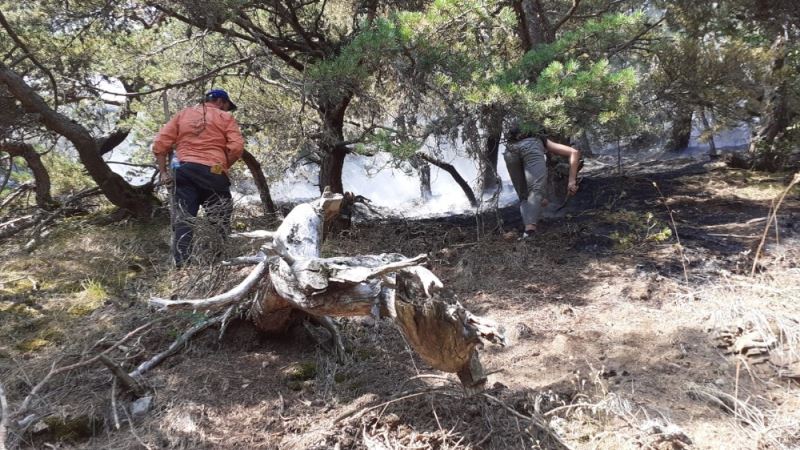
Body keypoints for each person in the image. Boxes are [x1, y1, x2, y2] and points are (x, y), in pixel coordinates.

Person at [152, 88, 244, 267]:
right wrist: (223, 166)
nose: (225, 110)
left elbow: (159, 145)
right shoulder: (224, 117)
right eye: (226, 106)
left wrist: (163, 172)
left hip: (184, 170)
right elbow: (237, 148)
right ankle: (216, 262)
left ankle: (182, 266)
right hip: (213, 171)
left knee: (184, 219)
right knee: (219, 217)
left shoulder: (183, 114)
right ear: (220, 102)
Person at [503, 121, 580, 240]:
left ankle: (527, 229)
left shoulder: (517, 134)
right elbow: (574, 152)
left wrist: (541, 199)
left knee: (523, 195)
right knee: (536, 189)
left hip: (509, 150)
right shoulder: (541, 140)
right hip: (531, 146)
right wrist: (571, 180)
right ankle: (529, 232)